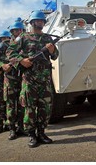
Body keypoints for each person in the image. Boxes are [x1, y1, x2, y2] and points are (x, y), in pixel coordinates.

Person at [7, 10, 59, 148]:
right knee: (29, 108)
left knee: (45, 108)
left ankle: (42, 133)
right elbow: (10, 53)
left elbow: (55, 56)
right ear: (32, 22)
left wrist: (53, 50)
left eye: (42, 21)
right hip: (29, 79)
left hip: (45, 80)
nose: (40, 22)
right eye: (38, 20)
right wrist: (21, 60)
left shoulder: (48, 38)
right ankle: (31, 135)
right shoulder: (23, 37)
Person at [4, 21, 26, 140]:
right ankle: (12, 129)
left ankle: (22, 127)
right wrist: (2, 66)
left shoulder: (25, 41)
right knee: (11, 105)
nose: (18, 32)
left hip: (22, 77)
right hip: (11, 78)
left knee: (22, 103)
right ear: (12, 32)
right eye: (16, 30)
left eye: (20, 30)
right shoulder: (5, 44)